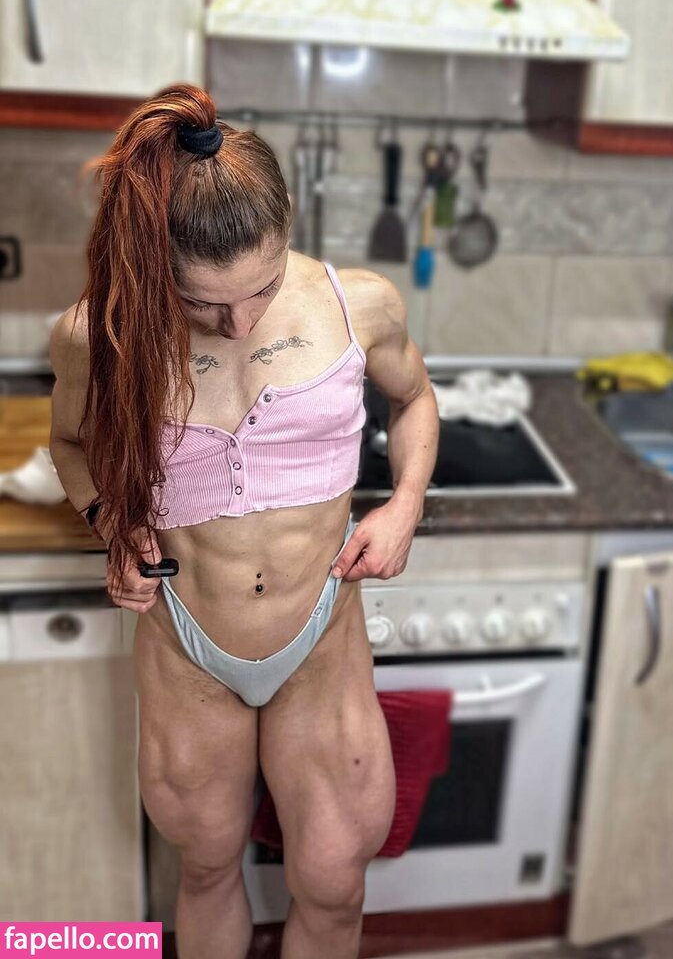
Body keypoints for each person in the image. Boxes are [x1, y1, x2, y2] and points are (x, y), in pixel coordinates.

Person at [47, 83, 440, 959]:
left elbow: (415, 399)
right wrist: (111, 521)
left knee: (334, 883)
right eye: (204, 304)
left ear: (287, 225)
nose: (239, 322)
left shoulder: (359, 304)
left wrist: (405, 502)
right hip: (187, 644)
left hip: (321, 640)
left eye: (260, 288)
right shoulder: (97, 334)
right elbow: (70, 444)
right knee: (207, 868)